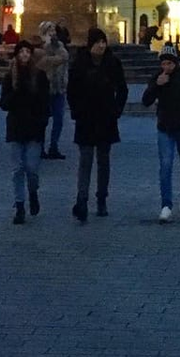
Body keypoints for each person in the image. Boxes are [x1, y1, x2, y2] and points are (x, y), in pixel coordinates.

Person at [67, 27, 129, 221]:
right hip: (85, 118)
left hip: (106, 118)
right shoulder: (80, 63)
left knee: (103, 161)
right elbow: (72, 90)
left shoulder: (112, 63)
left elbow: (123, 89)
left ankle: (101, 198)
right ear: (90, 44)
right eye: (98, 42)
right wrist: (76, 111)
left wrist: (116, 110)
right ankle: (82, 200)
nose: (101, 45)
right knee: (85, 161)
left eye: (103, 42)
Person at [142, 43, 180, 221]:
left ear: (175, 63)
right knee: (166, 166)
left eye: (169, 63)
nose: (166, 67)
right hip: (164, 128)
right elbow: (146, 100)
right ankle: (166, 205)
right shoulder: (158, 78)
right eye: (163, 64)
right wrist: (156, 85)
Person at [0, 40, 50, 225]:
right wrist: (15, 93)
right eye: (21, 52)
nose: (24, 55)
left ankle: (33, 192)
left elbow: (45, 103)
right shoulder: (10, 78)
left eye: (27, 52)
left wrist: (43, 121)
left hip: (34, 129)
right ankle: (20, 205)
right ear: (17, 55)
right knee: (17, 168)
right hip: (16, 128)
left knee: (32, 168)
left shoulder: (40, 76)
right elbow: (3, 104)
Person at [36, 22, 69, 159]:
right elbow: (41, 62)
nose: (52, 32)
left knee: (59, 119)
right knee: (43, 119)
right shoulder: (40, 47)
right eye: (49, 29)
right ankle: (40, 147)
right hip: (45, 88)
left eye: (54, 29)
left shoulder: (59, 46)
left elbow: (64, 57)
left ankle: (53, 146)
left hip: (59, 88)